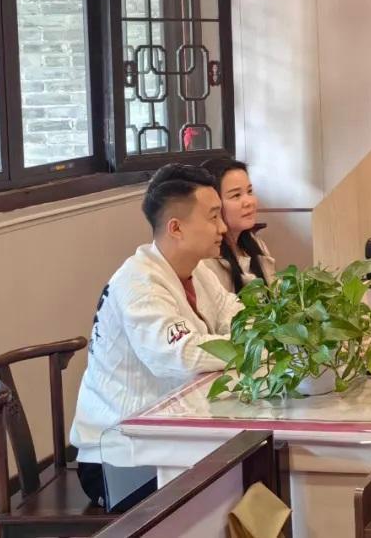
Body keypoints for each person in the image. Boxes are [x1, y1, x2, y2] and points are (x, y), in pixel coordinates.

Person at [70, 164, 242, 509]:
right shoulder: (138, 284)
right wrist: (251, 348)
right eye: (213, 217)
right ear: (175, 227)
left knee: (252, 464)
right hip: (119, 457)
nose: (223, 228)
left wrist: (246, 337)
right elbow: (182, 356)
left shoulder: (198, 270)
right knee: (233, 483)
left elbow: (234, 312)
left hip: (170, 439)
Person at [201, 156, 276, 292]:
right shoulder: (206, 259)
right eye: (236, 195)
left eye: (249, 191)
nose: (249, 202)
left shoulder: (256, 244)